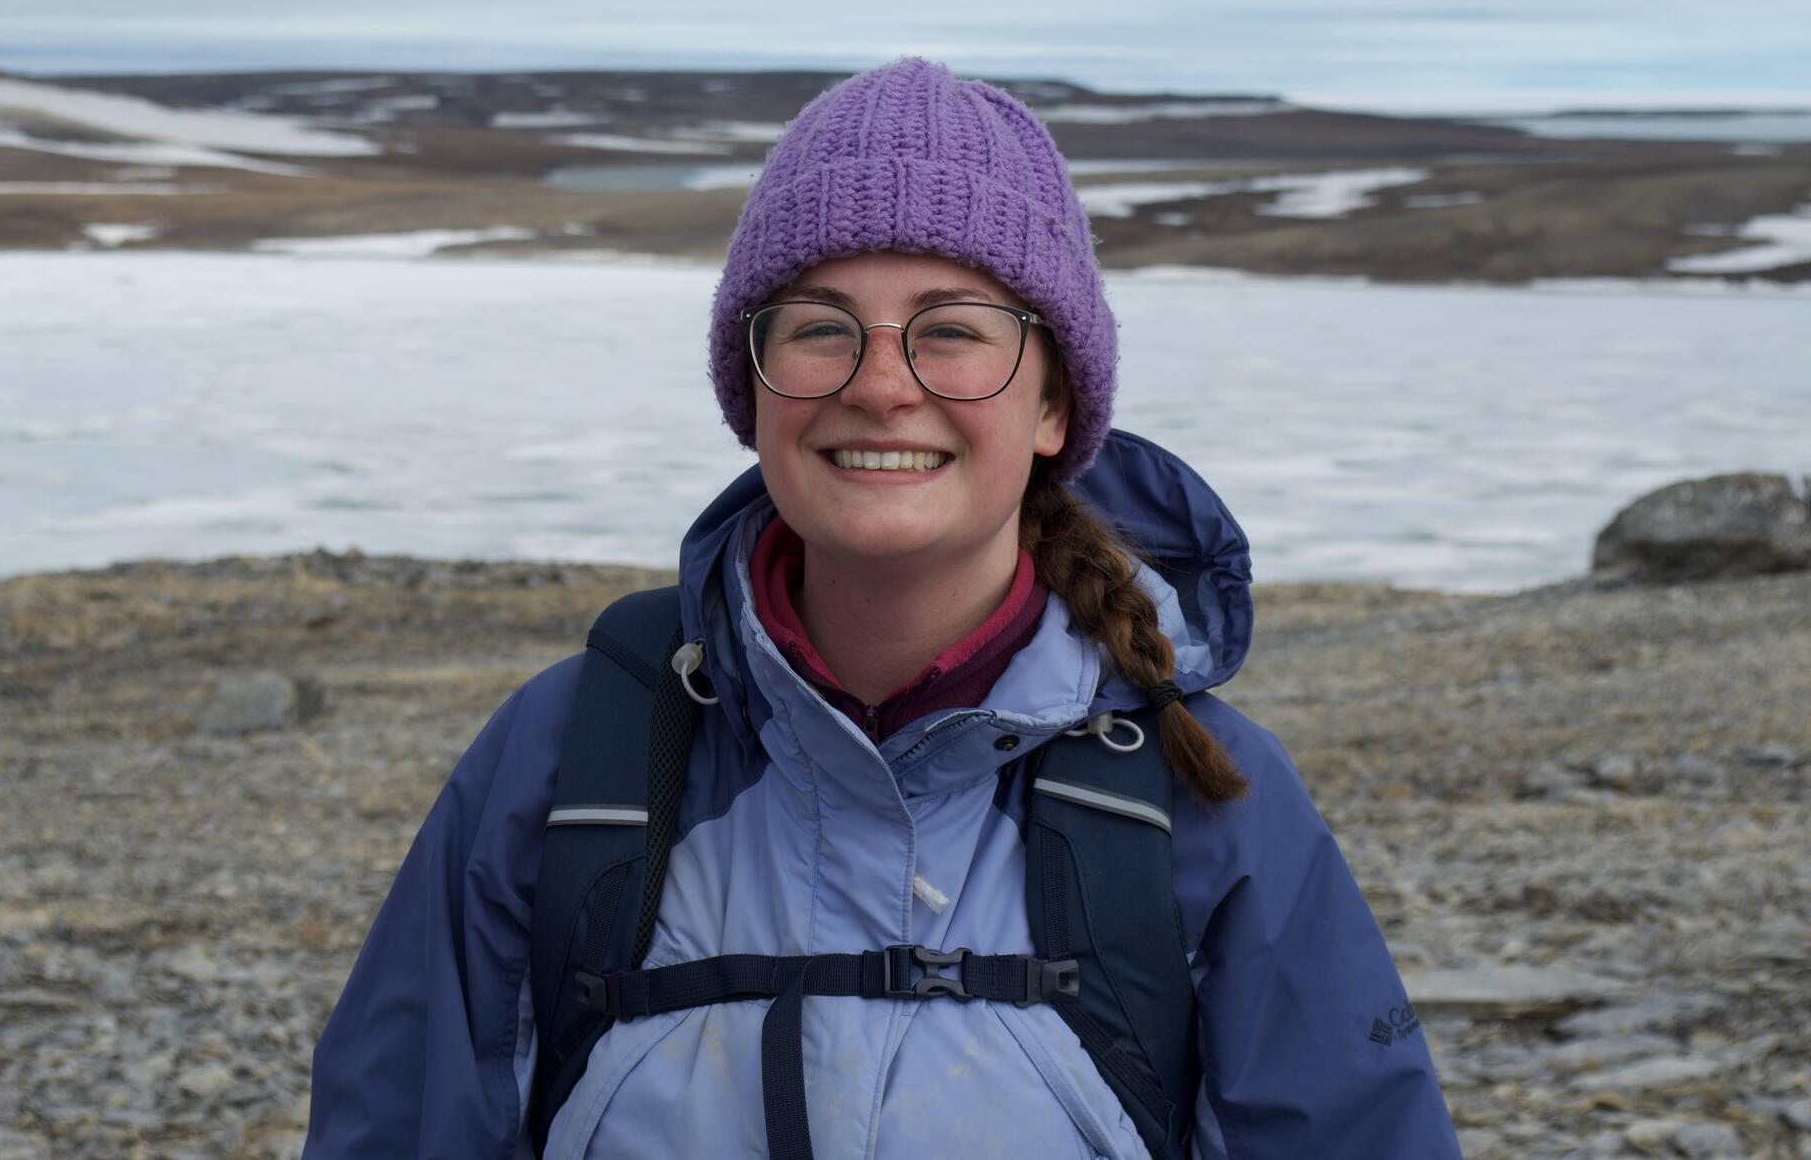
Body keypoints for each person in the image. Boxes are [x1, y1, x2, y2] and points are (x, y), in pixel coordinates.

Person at [300, 57, 1462, 1158]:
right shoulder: (570, 757)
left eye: (952, 331)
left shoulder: (1199, 792)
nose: (879, 385)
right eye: (818, 328)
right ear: (751, 392)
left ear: (1055, 405)